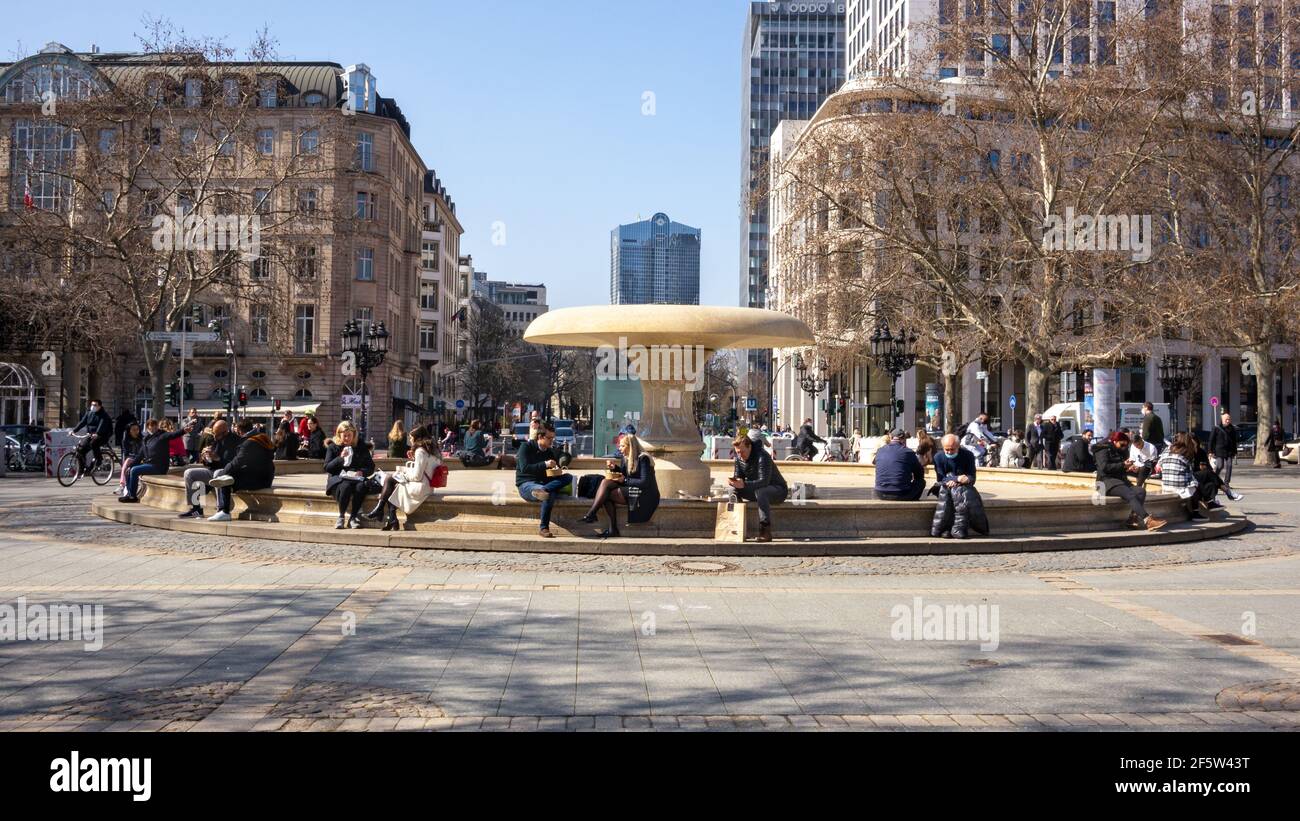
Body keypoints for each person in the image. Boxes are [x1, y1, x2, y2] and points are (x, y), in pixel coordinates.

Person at [580, 432, 659, 538]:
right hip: (634, 489)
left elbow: (644, 482)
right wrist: (614, 468)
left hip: (645, 495)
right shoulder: (626, 458)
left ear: (630, 446)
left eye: (622, 446)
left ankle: (594, 516)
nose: (620, 449)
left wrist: (625, 480)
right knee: (605, 486)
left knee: (605, 491)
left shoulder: (643, 458)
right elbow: (624, 473)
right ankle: (599, 520)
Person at [365, 424, 442, 531]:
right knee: (391, 483)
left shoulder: (420, 451)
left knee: (389, 479)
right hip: (428, 486)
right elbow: (425, 470)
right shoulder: (433, 450)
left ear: (418, 438)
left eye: (411, 437)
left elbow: (417, 476)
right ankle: (391, 519)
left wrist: (403, 473)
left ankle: (381, 509)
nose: (410, 440)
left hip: (420, 487)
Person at [1094, 430, 1167, 532]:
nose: (1125, 446)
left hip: (1119, 480)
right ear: (1115, 441)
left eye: (1126, 444)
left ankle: (1132, 519)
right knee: (1130, 494)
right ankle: (1148, 521)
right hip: (1105, 482)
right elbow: (1104, 467)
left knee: (1140, 491)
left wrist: (1130, 467)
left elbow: (1122, 466)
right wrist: (1123, 465)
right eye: (1122, 444)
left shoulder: (1121, 450)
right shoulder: (1102, 450)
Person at [207, 419, 276, 522]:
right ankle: (223, 511)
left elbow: (237, 461)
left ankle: (224, 511)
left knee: (225, 478)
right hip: (265, 476)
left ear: (239, 430)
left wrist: (223, 472)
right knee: (228, 476)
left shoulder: (248, 442)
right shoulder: (260, 438)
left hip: (259, 480)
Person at [516, 422, 573, 538]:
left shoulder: (549, 450)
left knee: (568, 477)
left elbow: (565, 455)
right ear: (540, 437)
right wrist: (545, 464)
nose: (552, 441)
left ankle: (544, 489)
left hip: (543, 484)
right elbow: (525, 468)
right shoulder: (526, 447)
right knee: (548, 494)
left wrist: (562, 461)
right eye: (549, 438)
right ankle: (544, 528)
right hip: (527, 484)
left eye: (553, 438)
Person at [728, 433, 788, 543]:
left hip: (777, 489)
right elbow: (739, 477)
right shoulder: (738, 459)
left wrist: (744, 484)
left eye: (742, 452)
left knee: (761, 492)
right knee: (732, 491)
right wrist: (734, 482)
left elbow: (764, 481)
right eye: (737, 452)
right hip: (755, 489)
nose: (740, 455)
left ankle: (765, 530)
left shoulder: (762, 456)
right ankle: (736, 526)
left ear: (749, 446)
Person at [121, 417, 196, 503]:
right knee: (129, 469)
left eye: (155, 425)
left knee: (134, 470)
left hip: (158, 466)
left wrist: (184, 430)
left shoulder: (162, 435)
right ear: (147, 427)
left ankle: (132, 496)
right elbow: (139, 456)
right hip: (149, 464)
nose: (153, 427)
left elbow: (173, 434)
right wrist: (129, 466)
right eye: (151, 425)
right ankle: (129, 494)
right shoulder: (146, 439)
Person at [178, 419, 240, 519]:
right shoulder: (216, 440)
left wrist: (218, 458)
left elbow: (234, 463)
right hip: (213, 471)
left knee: (218, 474)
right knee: (189, 473)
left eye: (217, 434)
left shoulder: (236, 441)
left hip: (227, 473)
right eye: (214, 434)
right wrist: (206, 458)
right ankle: (196, 508)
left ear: (225, 432)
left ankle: (221, 510)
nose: (214, 437)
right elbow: (210, 463)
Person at [930, 434, 988, 539]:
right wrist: (955, 479)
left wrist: (964, 480)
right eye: (946, 449)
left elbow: (972, 477)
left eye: (952, 449)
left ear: (958, 446)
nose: (949, 452)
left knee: (958, 493)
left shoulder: (968, 455)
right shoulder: (938, 457)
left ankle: (945, 528)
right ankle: (957, 528)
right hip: (945, 486)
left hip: (963, 486)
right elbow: (940, 479)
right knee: (950, 493)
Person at [323, 420, 376, 529]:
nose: (347, 438)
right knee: (345, 486)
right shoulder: (333, 447)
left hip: (356, 478)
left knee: (361, 487)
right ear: (339, 435)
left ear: (354, 434)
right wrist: (340, 458)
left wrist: (362, 472)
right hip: (338, 478)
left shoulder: (361, 446)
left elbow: (371, 466)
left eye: (349, 435)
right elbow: (327, 467)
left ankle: (353, 517)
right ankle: (341, 517)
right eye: (344, 436)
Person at [1157, 433, 1209, 521]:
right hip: (1177, 485)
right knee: (1195, 484)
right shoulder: (1185, 450)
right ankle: (1197, 512)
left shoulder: (1167, 448)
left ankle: (1210, 502)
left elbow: (1160, 465)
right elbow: (1188, 471)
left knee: (1196, 481)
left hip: (1166, 484)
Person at [875, 429, 926, 501]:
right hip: (901, 493)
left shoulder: (880, 450)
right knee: (921, 482)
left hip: (880, 492)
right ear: (904, 439)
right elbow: (919, 473)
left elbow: (876, 463)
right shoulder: (908, 452)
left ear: (890, 437)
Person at [71, 399, 113, 473]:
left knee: (93, 443)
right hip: (91, 434)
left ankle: (99, 460)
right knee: (80, 450)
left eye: (95, 405)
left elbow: (102, 425)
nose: (93, 406)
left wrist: (97, 433)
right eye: (92, 405)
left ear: (100, 406)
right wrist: (74, 430)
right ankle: (82, 468)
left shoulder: (104, 415)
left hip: (103, 435)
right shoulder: (89, 413)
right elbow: (82, 422)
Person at [1208, 411, 1240, 489]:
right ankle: (1214, 480)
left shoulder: (1232, 428)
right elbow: (1211, 440)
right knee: (1220, 466)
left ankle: (1226, 483)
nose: (1228, 421)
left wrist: (1235, 451)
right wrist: (1210, 451)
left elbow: (1234, 440)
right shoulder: (1216, 428)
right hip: (1219, 450)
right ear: (1222, 420)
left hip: (1229, 451)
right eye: (1226, 419)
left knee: (1229, 465)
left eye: (1229, 419)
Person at [117, 421, 144, 497]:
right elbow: (126, 454)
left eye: (137, 429)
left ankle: (123, 485)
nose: (136, 432)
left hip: (140, 460)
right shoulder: (126, 441)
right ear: (129, 431)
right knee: (128, 466)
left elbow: (142, 454)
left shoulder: (142, 440)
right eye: (133, 430)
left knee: (128, 464)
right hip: (131, 460)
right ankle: (127, 488)